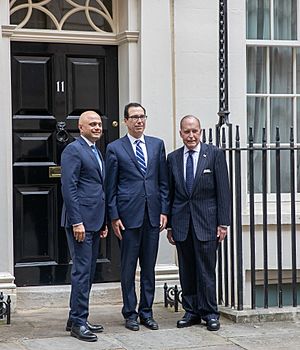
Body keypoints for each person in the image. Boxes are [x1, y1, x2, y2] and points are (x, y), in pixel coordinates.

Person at [105, 102, 169, 331]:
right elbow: (110, 186)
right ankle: (130, 313)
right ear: (125, 121)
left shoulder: (156, 145)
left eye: (142, 117)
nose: (139, 121)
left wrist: (164, 211)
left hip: (152, 217)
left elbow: (163, 182)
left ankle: (147, 312)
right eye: (134, 117)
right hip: (128, 218)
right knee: (128, 269)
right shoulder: (115, 148)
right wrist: (114, 216)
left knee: (149, 269)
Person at [167, 115, 230, 331]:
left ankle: (210, 312)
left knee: (206, 270)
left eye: (194, 131)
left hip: (207, 223)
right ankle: (191, 311)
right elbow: (171, 194)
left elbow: (224, 191)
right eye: (186, 131)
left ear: (200, 132)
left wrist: (223, 223)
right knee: (187, 270)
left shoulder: (214, 155)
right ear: (180, 133)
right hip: (182, 223)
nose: (191, 135)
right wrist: (170, 226)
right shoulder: (173, 158)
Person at [61, 110, 108, 342]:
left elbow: (97, 187)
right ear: (81, 128)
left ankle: (75, 317)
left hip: (94, 220)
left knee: (87, 271)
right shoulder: (73, 150)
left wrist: (102, 222)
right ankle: (79, 322)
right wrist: (77, 221)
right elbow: (69, 189)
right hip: (80, 222)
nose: (97, 127)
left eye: (99, 124)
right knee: (82, 272)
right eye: (92, 124)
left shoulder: (95, 150)